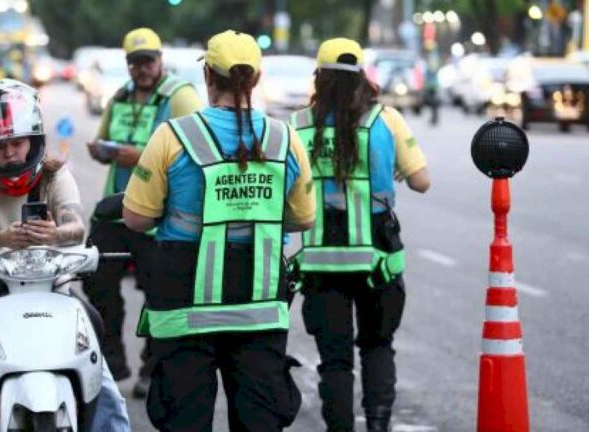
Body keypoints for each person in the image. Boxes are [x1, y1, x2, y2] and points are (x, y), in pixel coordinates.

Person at [122, 30, 315, 431]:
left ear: (208, 76)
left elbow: (136, 219)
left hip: (184, 307)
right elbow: (303, 219)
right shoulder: (286, 139)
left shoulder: (171, 137)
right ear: (257, 79)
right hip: (259, 306)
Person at [0, 80, 130, 431]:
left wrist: (56, 233)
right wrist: (4, 238)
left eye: (17, 142)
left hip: (51, 290)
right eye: (0, 146)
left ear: (33, 139)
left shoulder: (54, 172)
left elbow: (75, 225)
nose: (10, 153)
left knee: (109, 400)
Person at [288, 38, 430, 432]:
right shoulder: (385, 119)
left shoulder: (297, 125)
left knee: (335, 361)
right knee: (377, 346)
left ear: (318, 77)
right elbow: (422, 181)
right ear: (363, 77)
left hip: (321, 265)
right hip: (378, 264)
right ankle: (379, 425)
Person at [85, 27, 202, 397]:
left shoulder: (180, 97)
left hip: (160, 214)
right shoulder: (120, 95)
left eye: (147, 60)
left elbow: (198, 148)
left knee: (161, 295)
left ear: (160, 60)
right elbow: (101, 137)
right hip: (117, 210)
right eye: (134, 62)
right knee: (95, 277)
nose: (142, 69)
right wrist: (100, 150)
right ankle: (113, 359)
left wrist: (141, 156)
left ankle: (152, 369)